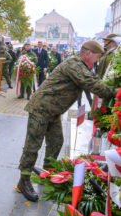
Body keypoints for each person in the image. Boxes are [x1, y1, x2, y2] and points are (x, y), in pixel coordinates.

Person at [16, 41, 115, 202]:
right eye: (97, 57)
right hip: (42, 108)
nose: (98, 60)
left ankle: (48, 173)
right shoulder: (75, 64)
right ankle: (24, 179)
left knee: (56, 142)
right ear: (88, 53)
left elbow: (92, 81)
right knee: (33, 145)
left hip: (53, 111)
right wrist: (116, 92)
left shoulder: (81, 64)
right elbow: (92, 84)